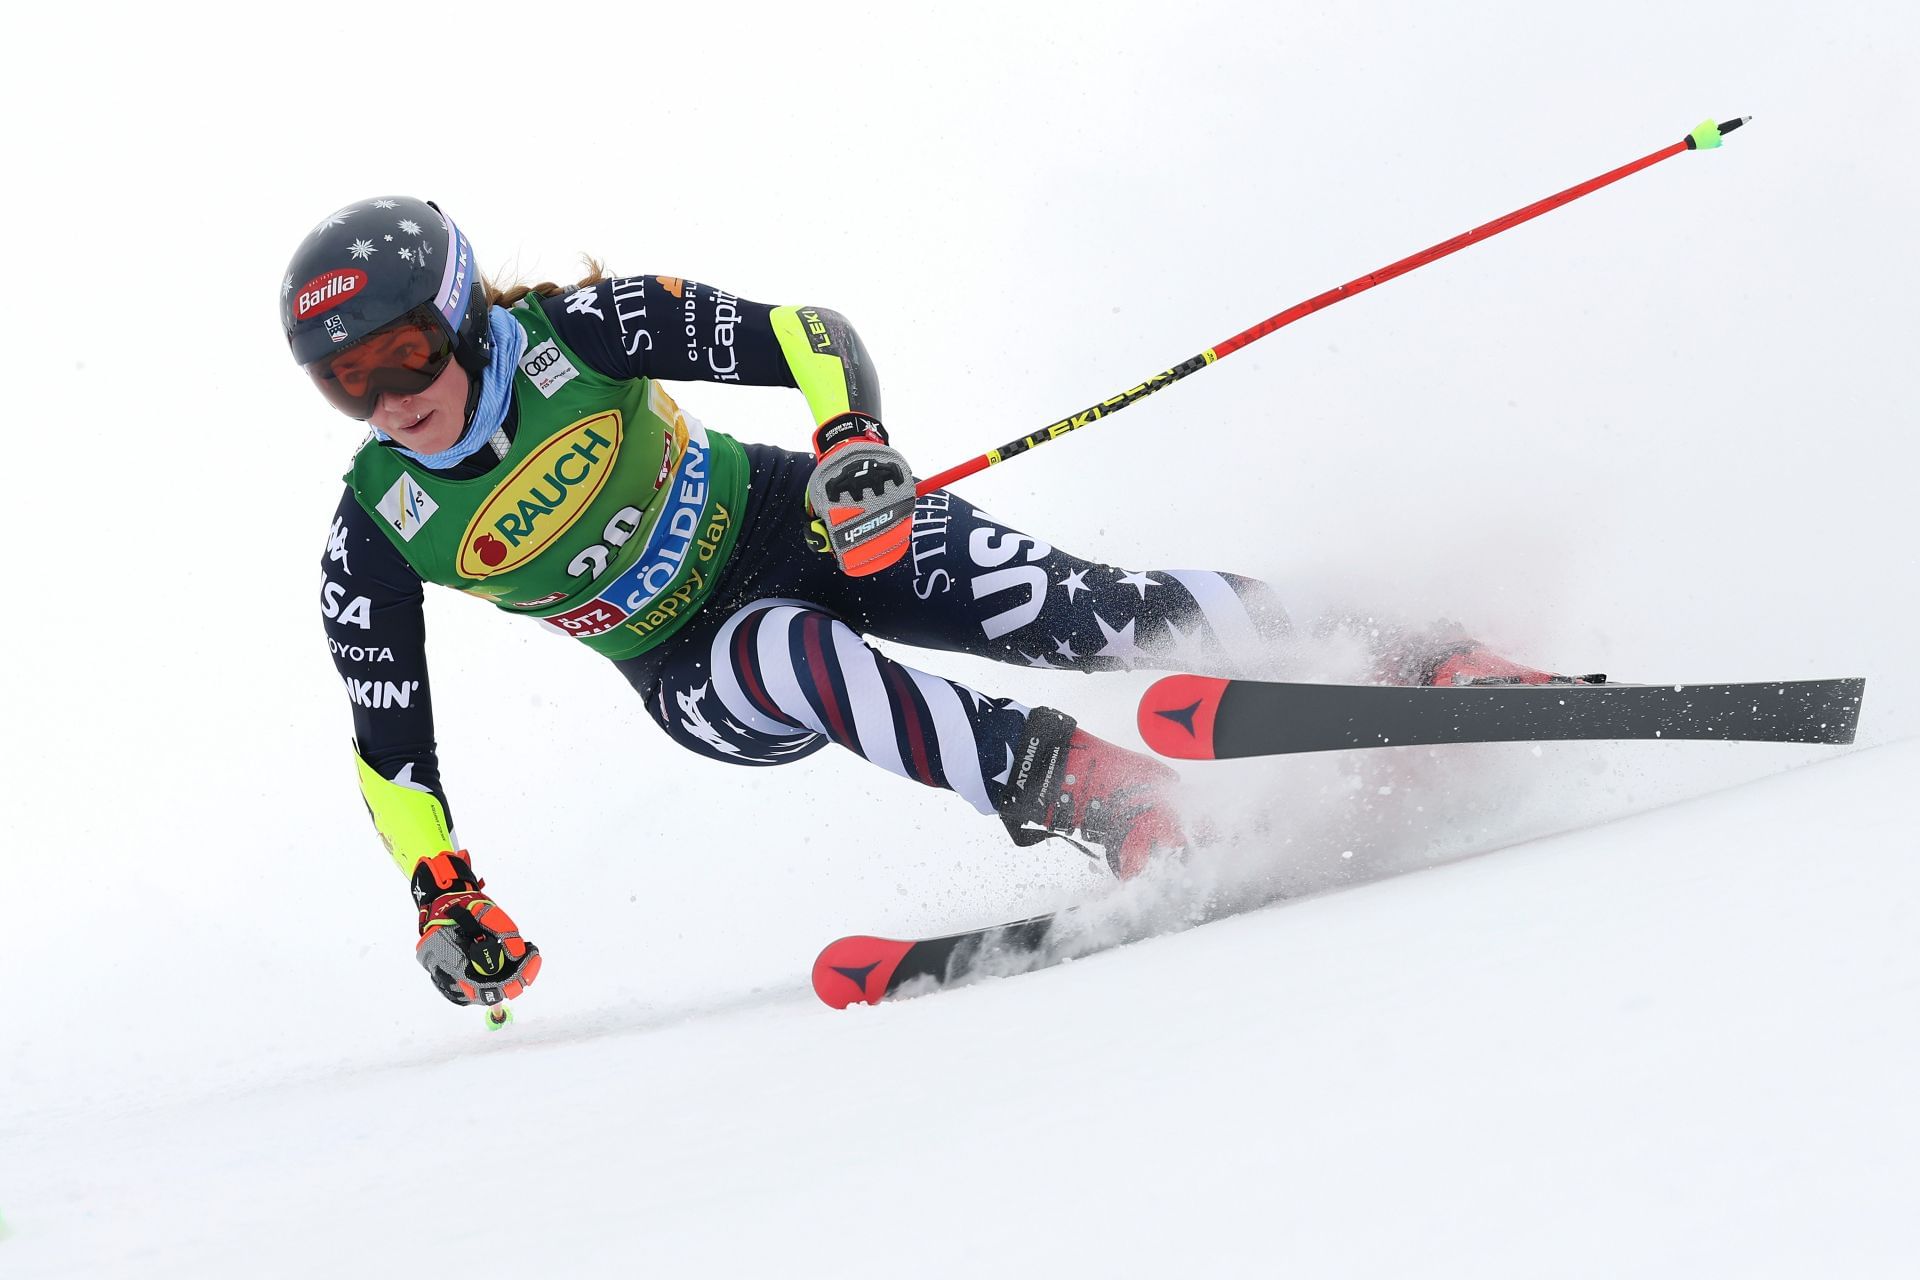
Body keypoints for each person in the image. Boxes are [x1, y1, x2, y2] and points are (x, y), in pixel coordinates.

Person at [288, 197, 1562, 1010]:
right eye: (349, 380)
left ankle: (1421, 659)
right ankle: (1109, 799)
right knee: (784, 649)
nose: (391, 395)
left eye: (402, 350)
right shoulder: (378, 527)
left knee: (1076, 607)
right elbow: (388, 746)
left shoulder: (585, 335)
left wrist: (851, 438)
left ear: (455, 314)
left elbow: (802, 330)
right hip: (695, 667)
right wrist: (442, 891)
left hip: (801, 515)